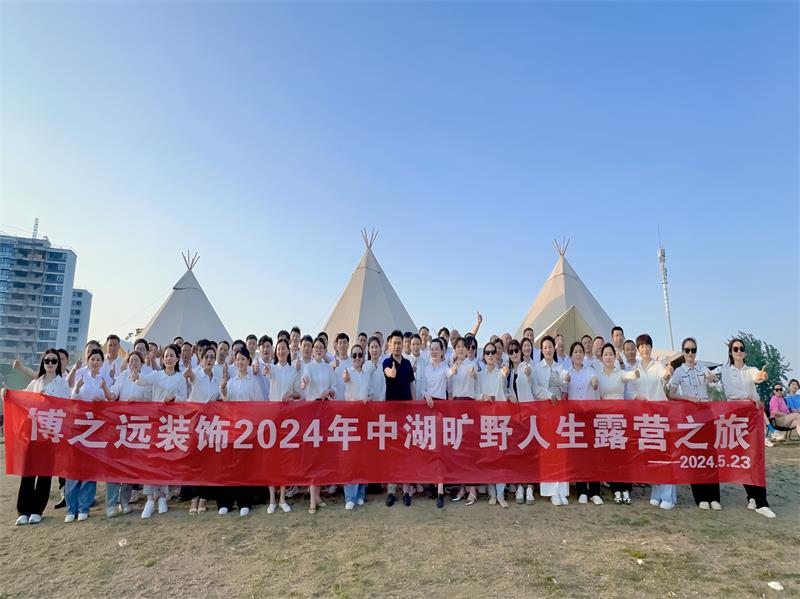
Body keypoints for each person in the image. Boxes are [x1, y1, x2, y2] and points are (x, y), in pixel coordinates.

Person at [719, 338, 775, 518]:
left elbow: (757, 376)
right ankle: (751, 495)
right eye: (735, 349)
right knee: (742, 458)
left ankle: (761, 502)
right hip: (736, 419)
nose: (739, 351)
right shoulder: (726, 371)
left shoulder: (750, 370)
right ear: (730, 352)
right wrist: (748, 396)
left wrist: (762, 376)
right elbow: (730, 393)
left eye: (741, 348)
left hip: (753, 419)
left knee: (755, 457)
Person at [15, 349, 70, 526]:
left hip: (50, 433)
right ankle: (23, 510)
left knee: (44, 473)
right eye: (47, 361)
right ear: (43, 363)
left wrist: (48, 401)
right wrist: (7, 393)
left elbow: (66, 406)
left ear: (58, 364)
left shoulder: (62, 384)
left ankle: (37, 510)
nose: (50, 364)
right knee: (28, 472)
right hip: (33, 432)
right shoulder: (36, 382)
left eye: (54, 361)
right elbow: (22, 397)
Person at [132, 343, 187, 518]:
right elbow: (143, 380)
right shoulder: (156, 375)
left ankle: (163, 496)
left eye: (172, 355)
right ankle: (150, 499)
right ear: (162, 359)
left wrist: (174, 398)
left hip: (171, 424)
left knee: (165, 461)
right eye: (166, 356)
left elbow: (184, 398)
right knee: (152, 460)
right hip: (156, 421)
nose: (169, 358)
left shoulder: (180, 378)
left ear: (177, 359)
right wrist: (136, 375)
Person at [668, 337, 721, 511]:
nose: (690, 353)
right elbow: (672, 394)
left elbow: (712, 379)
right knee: (694, 454)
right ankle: (701, 496)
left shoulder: (702, 368)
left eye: (693, 350)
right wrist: (688, 398)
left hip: (706, 414)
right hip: (690, 415)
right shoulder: (679, 372)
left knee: (710, 454)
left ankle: (714, 496)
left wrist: (712, 378)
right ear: (683, 352)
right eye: (687, 350)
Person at [101, 350, 151, 517]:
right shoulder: (122, 376)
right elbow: (113, 395)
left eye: (137, 360)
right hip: (121, 424)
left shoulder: (147, 378)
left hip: (138, 426)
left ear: (142, 363)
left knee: (130, 465)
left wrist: (138, 401)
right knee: (115, 464)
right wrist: (105, 388)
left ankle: (124, 501)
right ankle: (111, 504)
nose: (134, 363)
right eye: (131, 360)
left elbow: (152, 400)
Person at [66, 346, 109, 522]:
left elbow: (110, 400)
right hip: (79, 426)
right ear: (88, 360)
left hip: (95, 427)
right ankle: (71, 508)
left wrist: (102, 399)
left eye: (98, 360)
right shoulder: (80, 375)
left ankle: (84, 506)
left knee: (90, 468)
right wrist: (77, 388)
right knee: (74, 467)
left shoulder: (104, 378)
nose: (95, 362)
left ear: (102, 362)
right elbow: (71, 399)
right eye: (93, 359)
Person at [217, 347, 260, 516]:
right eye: (237, 359)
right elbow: (226, 400)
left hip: (247, 429)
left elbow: (258, 405)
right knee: (229, 465)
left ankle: (245, 502)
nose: (240, 362)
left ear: (248, 361)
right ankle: (226, 502)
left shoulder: (253, 381)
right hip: (232, 427)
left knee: (245, 466)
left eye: (243, 359)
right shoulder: (232, 381)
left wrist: (254, 428)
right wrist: (223, 389)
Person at [595, 343, 639, 504]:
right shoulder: (598, 375)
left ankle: (626, 489)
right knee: (611, 455)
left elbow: (630, 376)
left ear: (615, 357)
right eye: (605, 354)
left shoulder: (620, 373)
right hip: (605, 419)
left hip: (620, 418)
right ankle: (616, 490)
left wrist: (635, 374)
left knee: (623, 454)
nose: (608, 357)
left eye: (610, 354)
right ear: (602, 357)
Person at [563, 342, 602, 504]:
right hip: (575, 419)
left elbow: (595, 382)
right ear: (571, 355)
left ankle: (595, 491)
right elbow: (564, 395)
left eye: (580, 351)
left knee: (592, 455)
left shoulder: (590, 370)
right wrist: (565, 382)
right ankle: (582, 491)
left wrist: (594, 382)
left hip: (589, 417)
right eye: (575, 352)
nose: (578, 354)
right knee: (578, 455)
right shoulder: (567, 372)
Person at [264, 339, 300, 514]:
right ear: (275, 352)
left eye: (283, 348)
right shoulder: (272, 368)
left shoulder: (294, 371)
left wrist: (291, 395)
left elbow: (298, 394)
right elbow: (266, 373)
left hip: (287, 420)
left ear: (288, 351)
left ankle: (282, 498)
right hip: (272, 418)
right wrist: (265, 370)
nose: (281, 351)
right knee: (272, 460)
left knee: (284, 460)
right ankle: (272, 500)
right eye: (278, 349)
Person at [383, 330, 415, 507]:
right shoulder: (387, 362)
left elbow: (411, 386)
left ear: (403, 345)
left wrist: (415, 406)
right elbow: (388, 372)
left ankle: (406, 490)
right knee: (392, 453)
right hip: (392, 414)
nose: (396, 346)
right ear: (389, 345)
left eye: (399, 343)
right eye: (394, 343)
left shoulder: (408, 363)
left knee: (407, 452)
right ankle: (391, 491)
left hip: (407, 414)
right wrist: (391, 373)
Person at [476, 341, 510, 508]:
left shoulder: (501, 372)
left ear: (497, 355)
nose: (490, 355)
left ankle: (501, 493)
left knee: (501, 457)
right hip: (485, 419)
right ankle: (492, 493)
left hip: (500, 418)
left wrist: (504, 376)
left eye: (493, 352)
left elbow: (505, 391)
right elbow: (474, 394)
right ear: (484, 356)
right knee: (489, 457)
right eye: (487, 353)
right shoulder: (479, 374)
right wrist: (482, 396)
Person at [420, 338, 449, 508]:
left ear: (442, 351)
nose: (434, 351)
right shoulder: (426, 368)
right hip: (427, 408)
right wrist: (426, 395)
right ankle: (430, 484)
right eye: (432, 348)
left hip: (441, 409)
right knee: (429, 447)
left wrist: (455, 367)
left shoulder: (445, 367)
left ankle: (440, 489)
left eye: (437, 348)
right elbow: (422, 388)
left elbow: (451, 374)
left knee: (440, 450)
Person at [342, 344, 371, 510]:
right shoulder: (347, 372)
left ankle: (360, 493)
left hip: (364, 419)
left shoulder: (366, 374)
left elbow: (370, 393)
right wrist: (346, 378)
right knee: (350, 458)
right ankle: (350, 496)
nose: (357, 358)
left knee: (363, 457)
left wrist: (368, 400)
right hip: (350, 419)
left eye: (360, 355)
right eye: (354, 355)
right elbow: (344, 380)